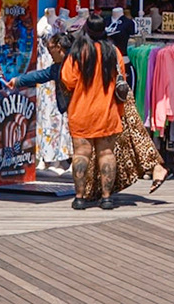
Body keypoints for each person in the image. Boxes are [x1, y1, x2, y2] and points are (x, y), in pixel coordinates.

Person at [59, 15, 124, 210]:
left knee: (81, 153)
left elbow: (68, 81)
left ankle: (79, 197)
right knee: (106, 153)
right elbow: (122, 78)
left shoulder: (78, 53)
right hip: (107, 111)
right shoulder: (113, 51)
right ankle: (106, 198)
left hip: (81, 111)